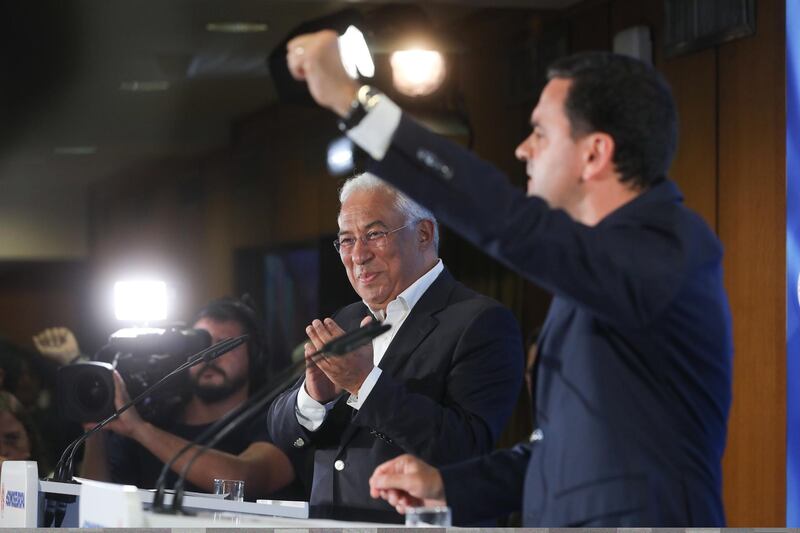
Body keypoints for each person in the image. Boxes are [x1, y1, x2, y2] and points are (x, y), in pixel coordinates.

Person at [283, 31, 733, 527]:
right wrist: (447, 485)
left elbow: (508, 221)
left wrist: (357, 104)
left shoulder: (662, 248)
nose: (522, 149)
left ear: (595, 153)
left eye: (539, 132)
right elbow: (561, 455)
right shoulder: (602, 269)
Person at [267, 173, 524, 523]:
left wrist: (363, 384)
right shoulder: (347, 318)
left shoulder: (481, 322)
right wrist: (314, 397)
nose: (358, 255)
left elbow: (467, 450)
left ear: (423, 234)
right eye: (346, 240)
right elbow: (282, 435)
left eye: (374, 234)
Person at [81, 297, 298, 500]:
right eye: (200, 344)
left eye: (225, 345)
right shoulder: (155, 414)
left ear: (255, 357)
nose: (211, 354)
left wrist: (140, 430)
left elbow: (244, 480)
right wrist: (95, 431)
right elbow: (97, 500)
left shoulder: (276, 420)